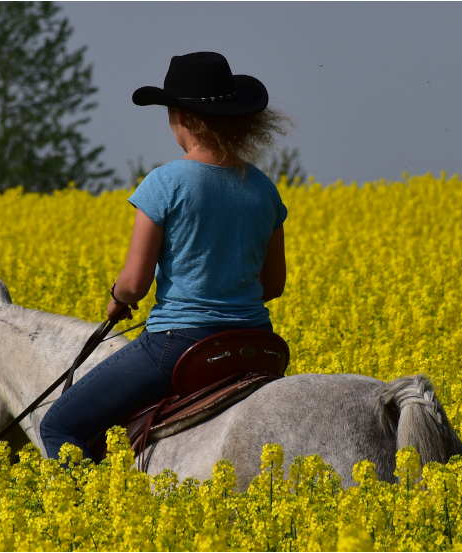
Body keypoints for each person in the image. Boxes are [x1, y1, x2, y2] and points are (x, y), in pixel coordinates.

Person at [40, 51, 291, 461]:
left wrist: (118, 299)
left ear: (183, 118)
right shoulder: (263, 188)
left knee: (60, 425)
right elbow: (274, 285)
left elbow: (136, 283)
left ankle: (85, 519)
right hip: (258, 344)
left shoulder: (165, 182)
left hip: (179, 345)